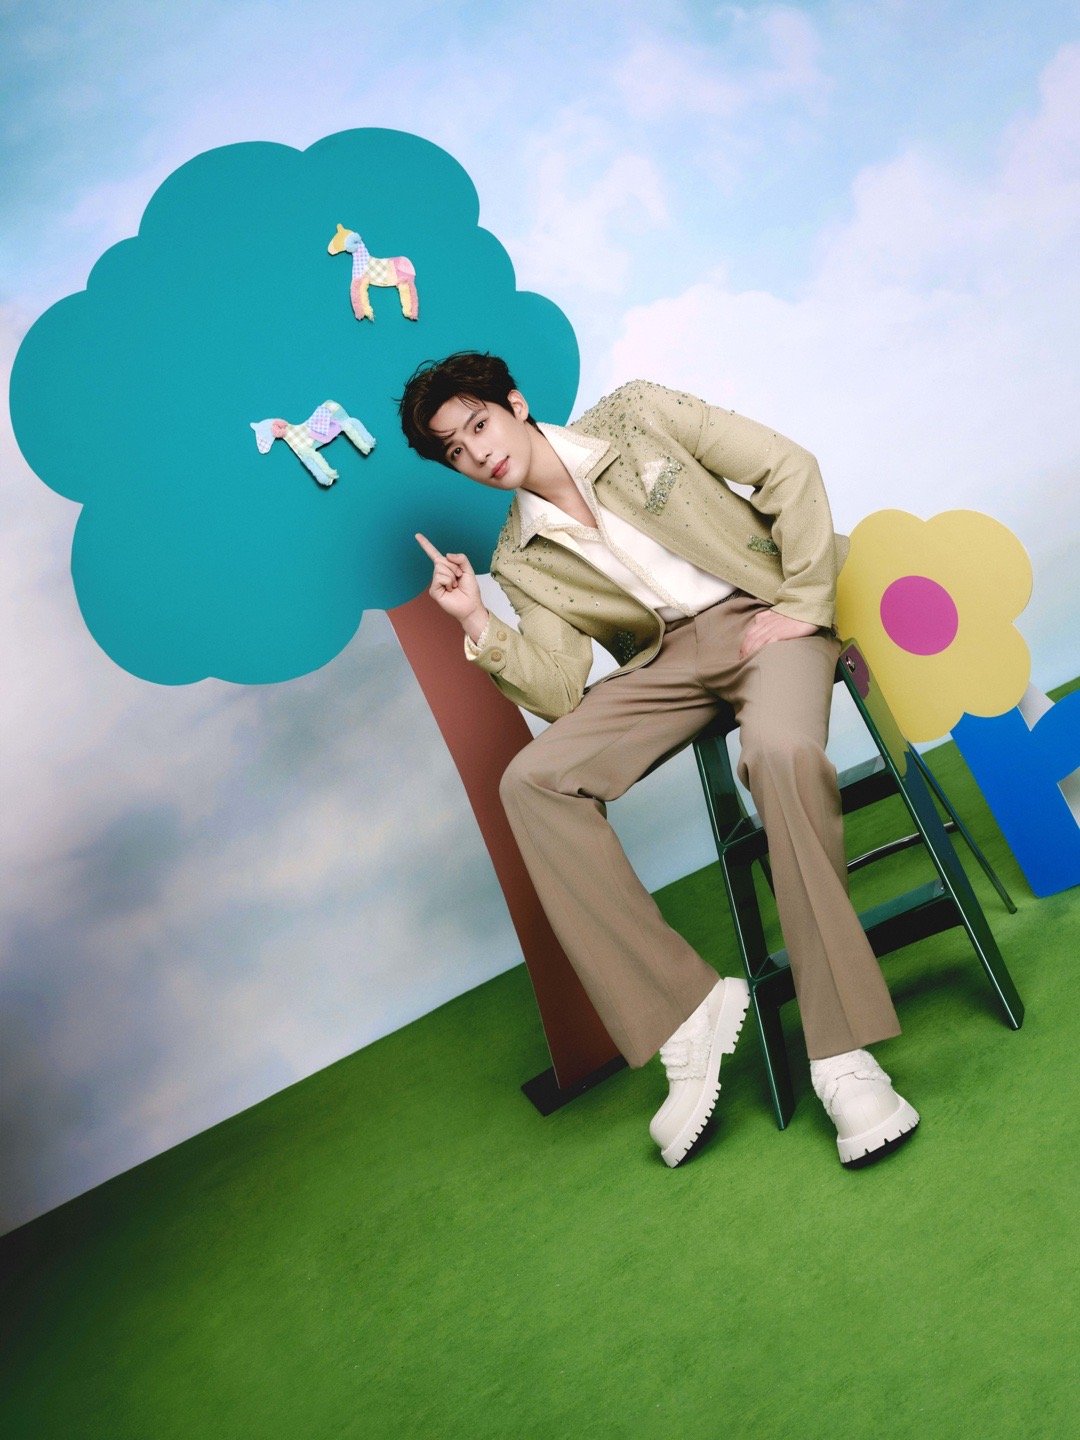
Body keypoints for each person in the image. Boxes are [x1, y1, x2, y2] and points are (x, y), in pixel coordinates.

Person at [399, 351, 919, 1169]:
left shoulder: (636, 413)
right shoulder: (520, 555)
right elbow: (558, 690)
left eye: (479, 424)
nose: (479, 452)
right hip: (665, 665)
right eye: (456, 451)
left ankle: (840, 1051)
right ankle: (685, 1011)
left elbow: (787, 466)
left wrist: (802, 601)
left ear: (515, 404)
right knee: (532, 781)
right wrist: (477, 621)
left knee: (779, 753)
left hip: (760, 615)